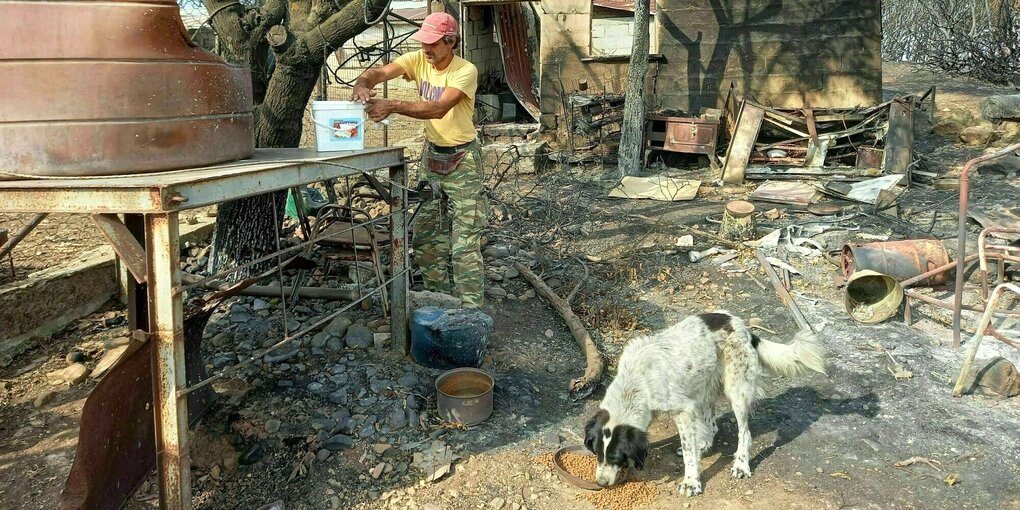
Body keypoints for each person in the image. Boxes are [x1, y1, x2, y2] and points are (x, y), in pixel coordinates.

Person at [352, 12, 486, 308]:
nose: (426, 49)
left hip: (463, 159)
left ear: (450, 41)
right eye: (423, 43)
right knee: (426, 237)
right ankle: (440, 302)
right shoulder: (418, 60)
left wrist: (393, 105)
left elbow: (438, 108)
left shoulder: (465, 70)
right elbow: (378, 73)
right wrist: (362, 84)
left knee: (463, 245)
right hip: (433, 156)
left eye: (433, 43)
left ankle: (472, 312)